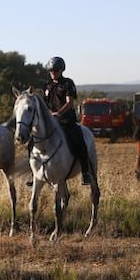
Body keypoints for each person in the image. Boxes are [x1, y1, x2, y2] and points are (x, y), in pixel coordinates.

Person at [42, 56, 93, 185]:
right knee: (34, 139)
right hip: (50, 121)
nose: (53, 73)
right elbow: (45, 105)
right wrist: (49, 114)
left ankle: (85, 172)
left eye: (56, 70)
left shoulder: (68, 83)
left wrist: (58, 113)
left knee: (79, 139)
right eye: (51, 70)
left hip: (66, 120)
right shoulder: (47, 86)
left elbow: (70, 103)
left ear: (61, 70)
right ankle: (34, 172)